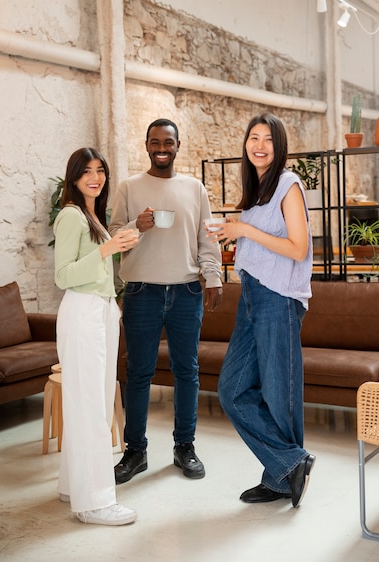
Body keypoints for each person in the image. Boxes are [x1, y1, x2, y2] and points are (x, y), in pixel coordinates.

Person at [109, 118, 222, 484]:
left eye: (168, 142)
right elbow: (111, 236)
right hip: (142, 290)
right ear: (146, 146)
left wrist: (214, 277)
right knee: (138, 372)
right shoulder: (129, 187)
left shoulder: (195, 187)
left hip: (187, 290)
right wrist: (134, 227)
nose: (162, 148)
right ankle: (135, 451)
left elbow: (208, 238)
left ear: (177, 145)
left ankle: (184, 447)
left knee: (187, 371)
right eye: (155, 142)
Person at [213, 113, 315, 508]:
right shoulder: (256, 193)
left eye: (267, 139)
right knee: (232, 389)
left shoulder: (289, 185)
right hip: (253, 296)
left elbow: (298, 248)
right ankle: (289, 463)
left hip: (279, 299)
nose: (258, 145)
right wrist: (233, 231)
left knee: (279, 393)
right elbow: (262, 246)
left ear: (279, 145)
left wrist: (244, 231)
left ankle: (280, 477)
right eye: (253, 138)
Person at [54, 147, 139, 526]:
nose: (96, 177)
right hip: (83, 311)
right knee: (90, 407)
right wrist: (108, 248)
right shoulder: (71, 216)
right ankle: (95, 503)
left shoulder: (93, 215)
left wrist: (116, 248)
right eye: (87, 171)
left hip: (101, 310)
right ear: (73, 177)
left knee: (96, 403)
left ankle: (74, 486)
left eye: (101, 170)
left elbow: (99, 268)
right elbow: (63, 276)